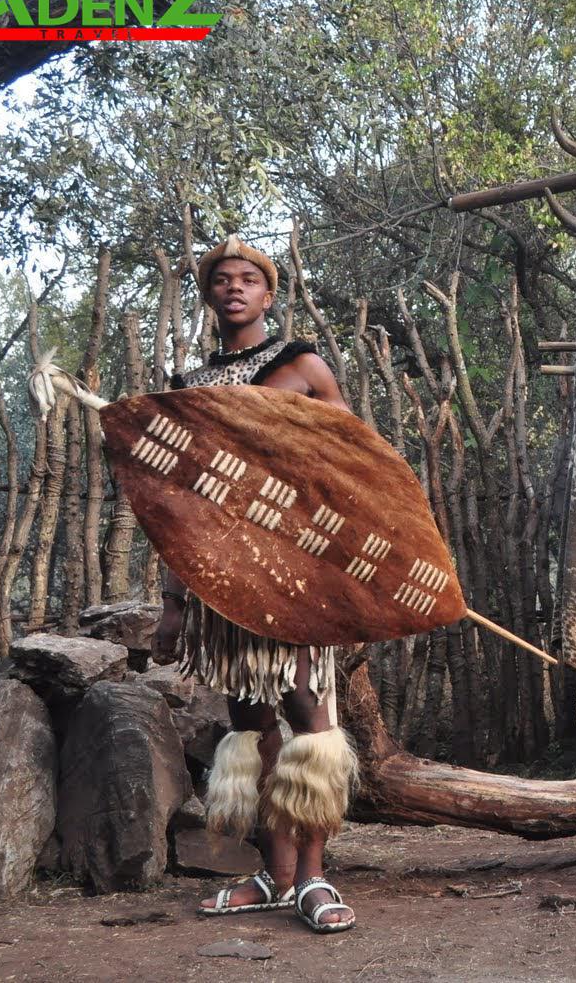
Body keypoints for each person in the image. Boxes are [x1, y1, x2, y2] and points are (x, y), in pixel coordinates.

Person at [151, 234, 359, 933]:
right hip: (222, 577)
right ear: (210, 296)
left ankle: (316, 877)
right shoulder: (192, 387)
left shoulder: (303, 367)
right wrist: (174, 601)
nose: (235, 288)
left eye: (249, 279)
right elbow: (177, 507)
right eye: (222, 280)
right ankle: (274, 874)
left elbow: (356, 468)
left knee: (307, 710)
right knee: (248, 719)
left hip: (293, 569)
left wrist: (344, 570)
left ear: (268, 295)